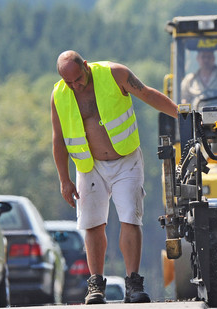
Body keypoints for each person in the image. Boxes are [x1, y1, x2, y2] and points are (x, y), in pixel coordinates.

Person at [51, 50, 178, 304]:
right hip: (89, 165)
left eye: (78, 79)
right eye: (70, 83)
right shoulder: (58, 96)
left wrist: (182, 115)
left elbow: (147, 94)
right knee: (93, 224)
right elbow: (58, 139)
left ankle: (133, 283)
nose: (76, 86)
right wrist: (64, 179)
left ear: (85, 66)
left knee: (130, 216)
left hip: (126, 160)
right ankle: (96, 285)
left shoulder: (114, 74)